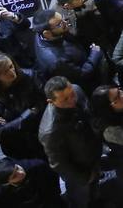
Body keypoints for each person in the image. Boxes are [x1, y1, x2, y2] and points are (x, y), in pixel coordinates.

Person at [37, 77, 100, 207]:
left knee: (94, 192)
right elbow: (59, 164)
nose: (72, 100)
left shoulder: (75, 89)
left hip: (92, 155)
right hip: (80, 170)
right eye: (65, 99)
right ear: (51, 102)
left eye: (71, 94)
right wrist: (85, 177)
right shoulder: (50, 131)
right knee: (81, 198)